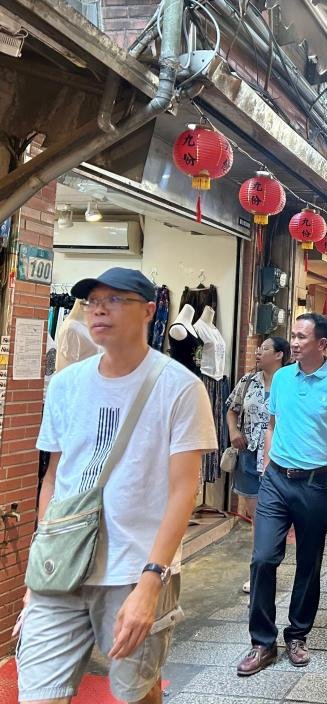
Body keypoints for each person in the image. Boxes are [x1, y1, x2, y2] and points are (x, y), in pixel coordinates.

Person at [18, 267, 217, 704]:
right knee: (37, 695)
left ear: (149, 311)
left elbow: (185, 490)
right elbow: (54, 475)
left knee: (136, 692)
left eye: (114, 300)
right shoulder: (67, 385)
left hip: (133, 567)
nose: (98, 310)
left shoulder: (180, 387)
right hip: (62, 565)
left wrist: (152, 583)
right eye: (92, 301)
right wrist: (39, 562)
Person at [238, 313, 327, 677]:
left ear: (321, 344)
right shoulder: (283, 379)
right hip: (276, 479)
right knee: (262, 558)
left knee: (309, 562)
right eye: (292, 335)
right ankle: (262, 642)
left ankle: (296, 635)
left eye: (301, 336)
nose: (293, 342)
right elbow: (272, 424)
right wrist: (265, 467)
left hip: (317, 484)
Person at [226, 336, 291, 594]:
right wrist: (233, 432)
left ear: (279, 355)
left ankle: (267, 566)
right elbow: (231, 409)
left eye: (264, 349)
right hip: (250, 456)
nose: (258, 353)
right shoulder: (247, 381)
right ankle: (259, 572)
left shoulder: (290, 382)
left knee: (273, 517)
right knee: (257, 518)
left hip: (280, 458)